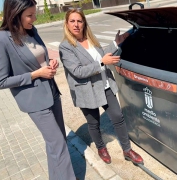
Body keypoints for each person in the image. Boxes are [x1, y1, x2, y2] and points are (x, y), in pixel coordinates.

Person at [0, 0, 77, 180]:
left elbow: (40, 58)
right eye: (30, 15)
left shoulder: (33, 30)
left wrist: (49, 65)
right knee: (59, 145)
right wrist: (36, 74)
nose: (35, 18)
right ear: (15, 15)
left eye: (35, 13)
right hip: (34, 101)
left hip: (52, 92)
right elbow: (1, 81)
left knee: (56, 144)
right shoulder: (1, 39)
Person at [59, 8, 144, 165]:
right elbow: (78, 71)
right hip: (86, 90)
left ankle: (127, 150)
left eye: (79, 21)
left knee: (118, 117)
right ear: (67, 24)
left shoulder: (90, 38)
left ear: (84, 23)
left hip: (104, 85)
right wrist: (102, 62)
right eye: (72, 21)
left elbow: (101, 55)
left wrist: (115, 43)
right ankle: (101, 147)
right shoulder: (65, 47)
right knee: (94, 122)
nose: (76, 24)